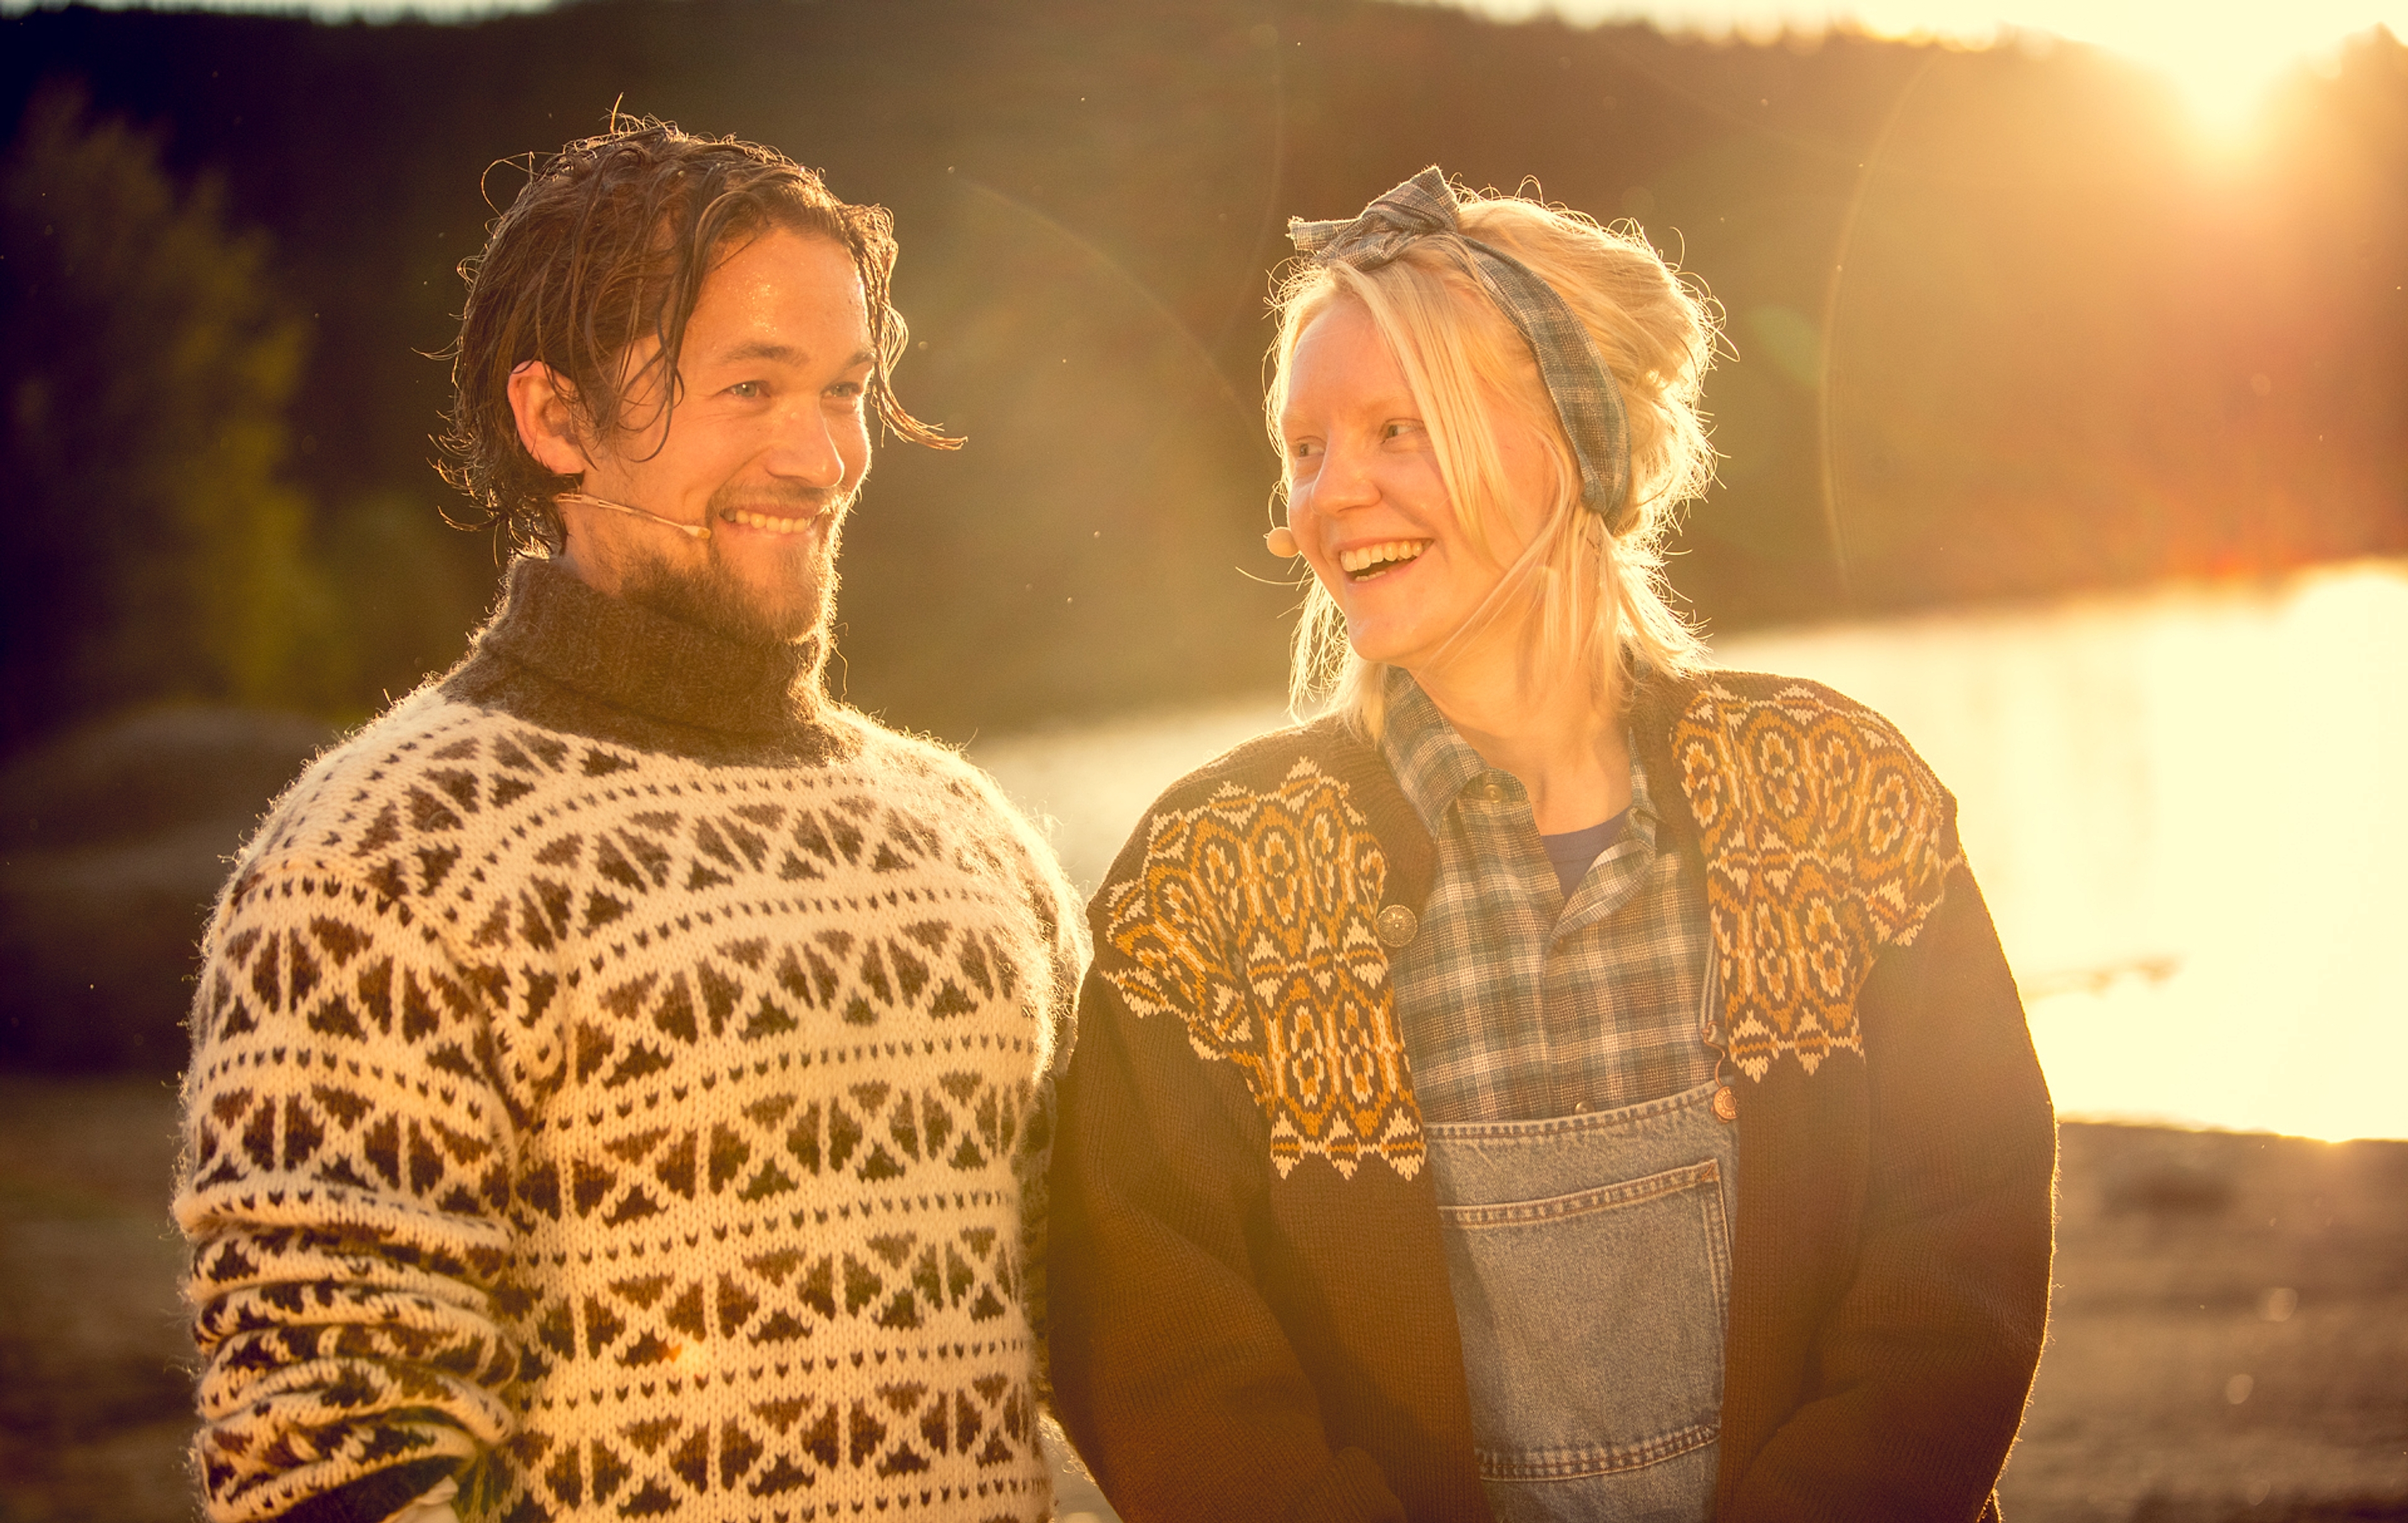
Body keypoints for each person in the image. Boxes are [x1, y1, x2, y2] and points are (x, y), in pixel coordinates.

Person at [1047, 168, 2056, 1521]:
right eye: (1305, 448)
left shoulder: (1835, 799)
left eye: (1398, 428)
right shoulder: (1214, 876)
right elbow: (1156, 1339)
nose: (1330, 497)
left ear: (1575, 447)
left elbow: (1960, 1255)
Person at [172, 119, 1082, 1523]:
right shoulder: (375, 855)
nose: (821, 453)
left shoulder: (976, 844)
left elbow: (1109, 1325)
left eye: (844, 388)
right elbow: (334, 1465)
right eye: (748, 385)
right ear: (555, 418)